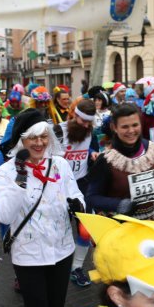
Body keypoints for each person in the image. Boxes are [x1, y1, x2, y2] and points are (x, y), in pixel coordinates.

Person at [0, 109, 85, 307]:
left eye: (43, 136)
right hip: (29, 254)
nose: (39, 143)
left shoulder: (60, 165)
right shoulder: (6, 171)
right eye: (32, 138)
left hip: (62, 250)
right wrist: (21, 179)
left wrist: (78, 205)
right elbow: (3, 215)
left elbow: (75, 194)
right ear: (21, 140)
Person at [86, 103, 154, 221]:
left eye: (135, 125)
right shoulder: (107, 159)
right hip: (120, 226)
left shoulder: (152, 150)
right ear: (114, 128)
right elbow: (91, 197)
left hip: (151, 223)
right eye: (125, 127)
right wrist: (118, 204)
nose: (131, 131)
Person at [54, 99, 99, 287]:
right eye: (83, 121)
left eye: (89, 122)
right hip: (58, 185)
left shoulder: (90, 132)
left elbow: (94, 148)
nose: (86, 126)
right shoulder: (58, 131)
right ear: (74, 115)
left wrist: (94, 154)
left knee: (85, 229)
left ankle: (77, 268)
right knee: (57, 227)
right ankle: (54, 264)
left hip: (81, 184)